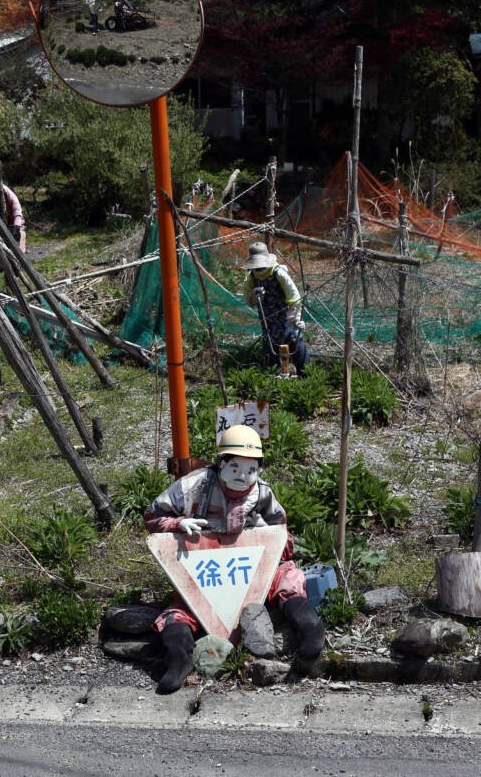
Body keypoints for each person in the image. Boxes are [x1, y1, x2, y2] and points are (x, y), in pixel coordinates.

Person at [144, 425, 325, 693]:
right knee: (181, 611)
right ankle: (179, 660)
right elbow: (152, 517)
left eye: (251, 470)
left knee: (286, 577)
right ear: (221, 464)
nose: (243, 476)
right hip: (204, 567)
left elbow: (283, 538)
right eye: (235, 468)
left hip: (249, 568)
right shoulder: (192, 485)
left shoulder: (262, 494)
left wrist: (264, 536)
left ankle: (310, 630)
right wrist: (179, 524)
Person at [243, 241, 309, 376]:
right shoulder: (251, 277)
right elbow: (248, 299)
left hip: (286, 317)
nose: (259, 268)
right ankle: (274, 375)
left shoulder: (279, 273)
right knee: (270, 345)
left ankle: (306, 375)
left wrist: (296, 319)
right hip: (267, 318)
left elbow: (294, 297)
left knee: (295, 341)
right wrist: (254, 296)